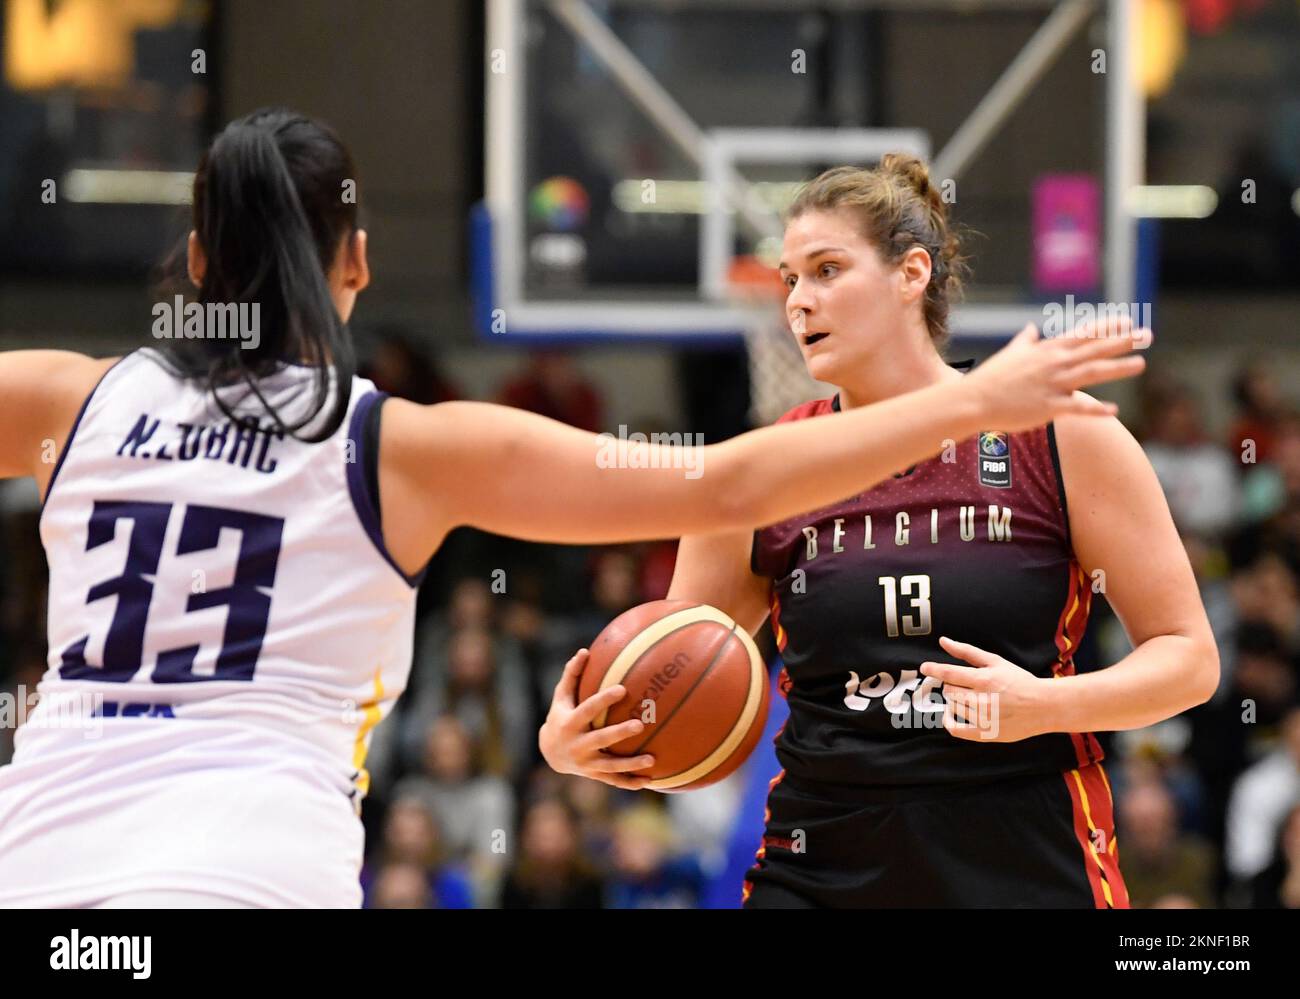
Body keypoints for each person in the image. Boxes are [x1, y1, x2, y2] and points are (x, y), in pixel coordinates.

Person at [0, 113, 1143, 908]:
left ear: (196, 256)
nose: (796, 300)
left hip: (37, 850)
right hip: (242, 863)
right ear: (355, 263)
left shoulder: (66, 396)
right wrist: (981, 400)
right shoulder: (401, 445)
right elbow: (725, 482)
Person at [542, 156, 1213, 909]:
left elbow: (1189, 659)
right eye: (790, 278)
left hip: (1022, 847)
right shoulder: (763, 465)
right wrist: (587, 745)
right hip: (824, 855)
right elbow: (673, 680)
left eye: (827, 269)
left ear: (911, 273)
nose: (799, 302)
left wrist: (1045, 706)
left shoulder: (1060, 437)